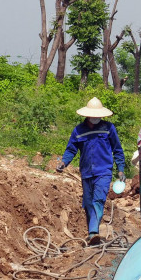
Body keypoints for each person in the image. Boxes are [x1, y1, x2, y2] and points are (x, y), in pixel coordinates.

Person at [57, 97, 125, 245]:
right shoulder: (78, 131)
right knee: (88, 204)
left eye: (98, 116)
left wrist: (120, 169)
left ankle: (93, 232)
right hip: (87, 172)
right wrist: (64, 163)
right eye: (93, 116)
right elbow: (71, 149)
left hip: (104, 171)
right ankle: (91, 235)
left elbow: (117, 150)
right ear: (87, 115)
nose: (96, 119)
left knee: (98, 201)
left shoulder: (108, 128)